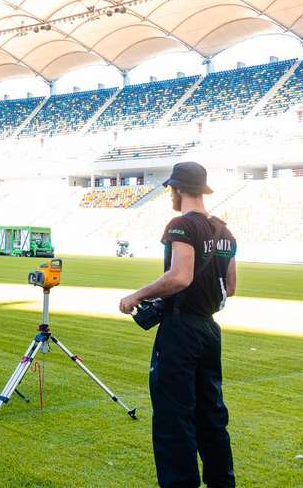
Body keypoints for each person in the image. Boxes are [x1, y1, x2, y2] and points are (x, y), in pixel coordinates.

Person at [118, 162, 237, 488]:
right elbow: (232, 286)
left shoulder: (181, 225)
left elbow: (180, 276)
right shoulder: (224, 231)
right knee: (212, 416)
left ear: (178, 188)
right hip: (209, 331)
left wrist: (137, 295)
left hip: (181, 331)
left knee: (174, 418)